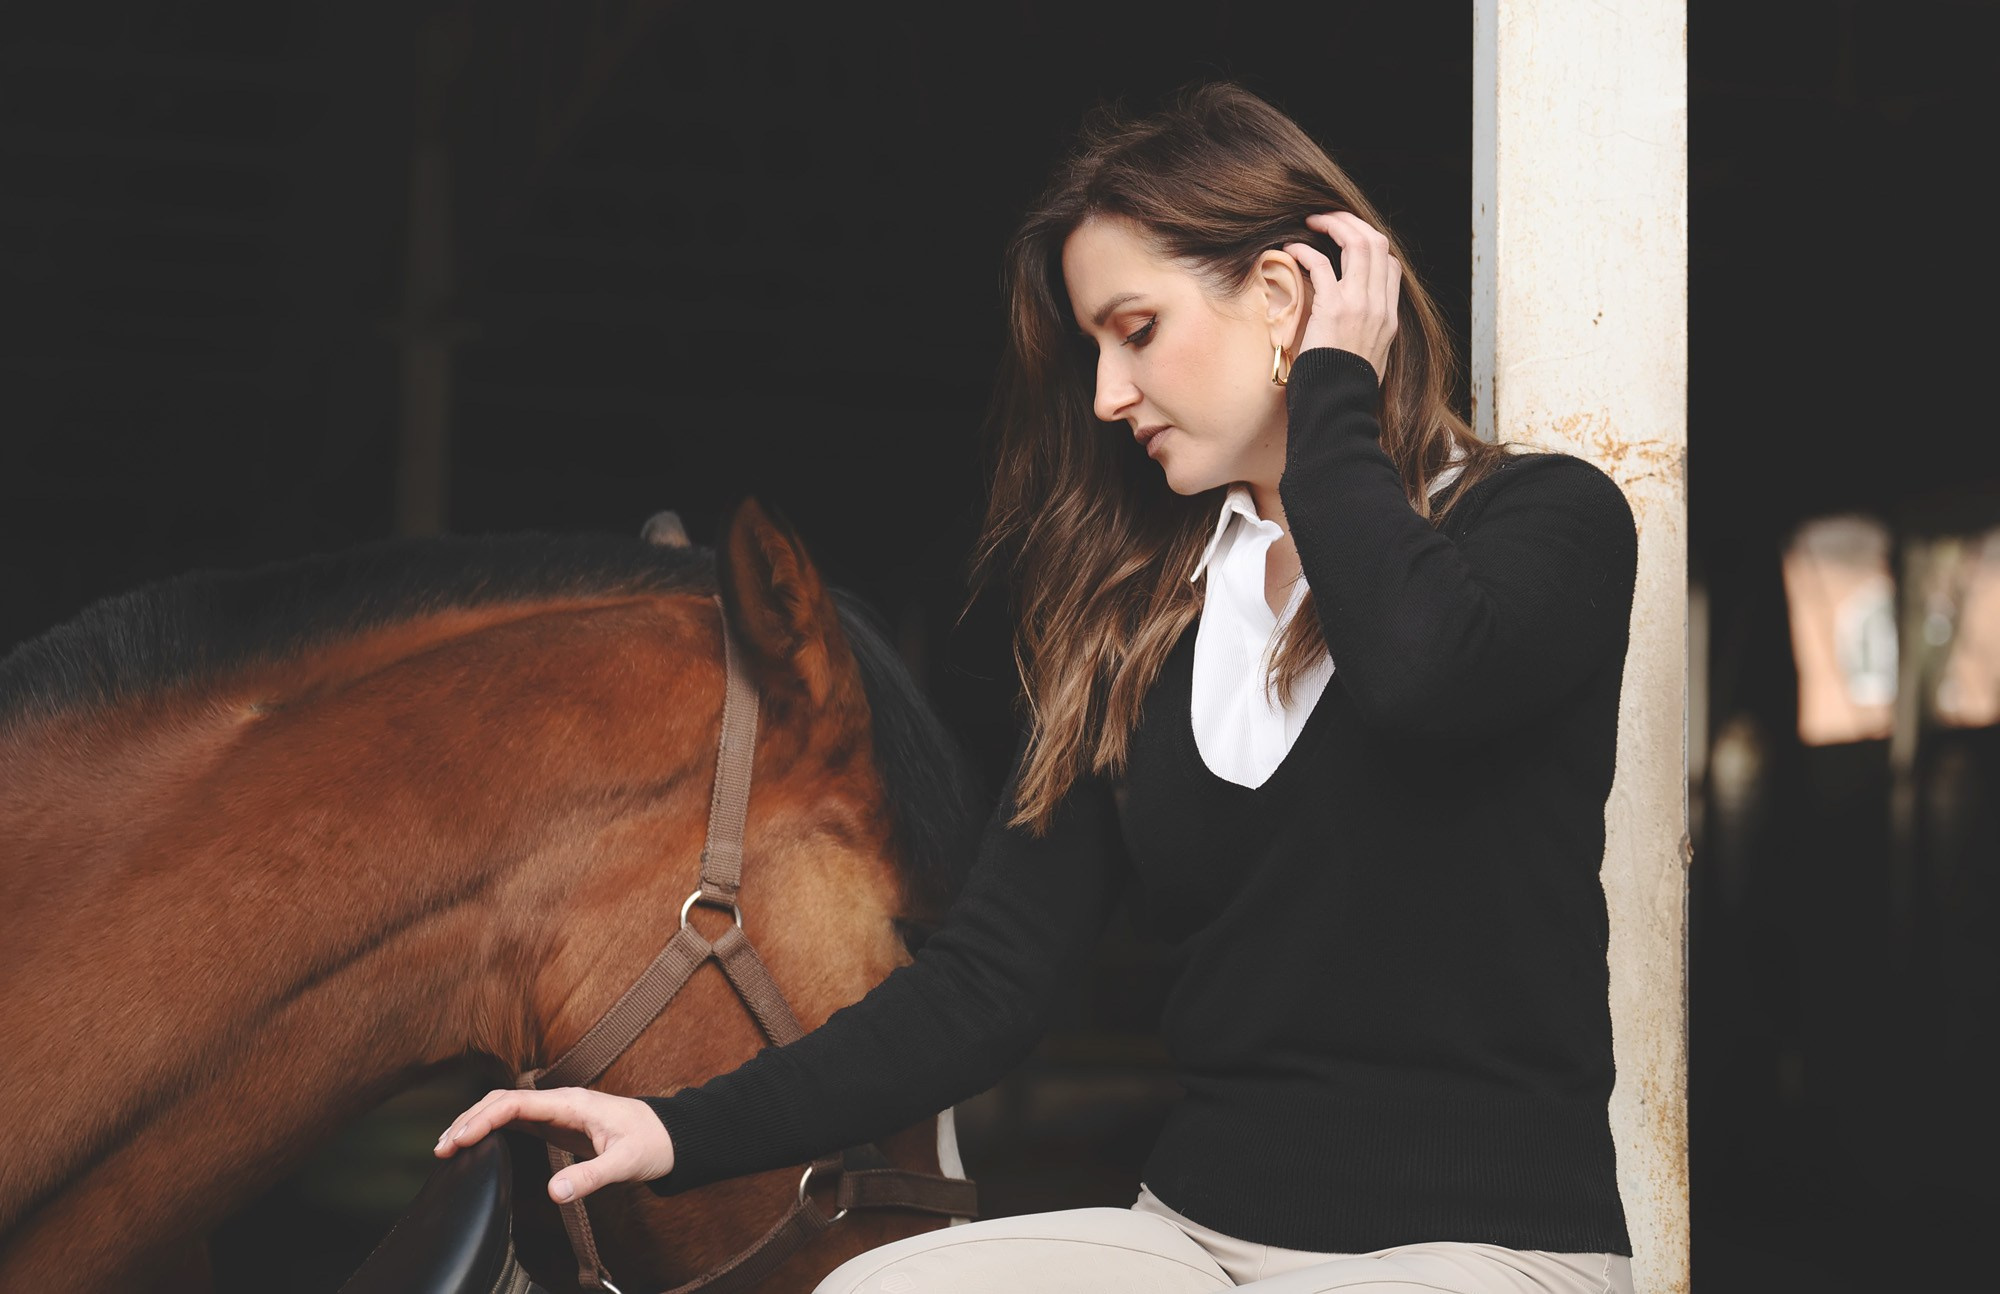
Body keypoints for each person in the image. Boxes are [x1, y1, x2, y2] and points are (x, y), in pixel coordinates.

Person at [435, 78, 1640, 1293]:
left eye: (1136, 330)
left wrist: (1331, 394)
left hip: (1479, 1247)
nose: (1108, 396)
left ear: (1281, 296)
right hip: (1197, 1236)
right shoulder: (1140, 624)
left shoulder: (1544, 523)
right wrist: (675, 1130)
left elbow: (1418, 669)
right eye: (1092, 351)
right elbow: (988, 981)